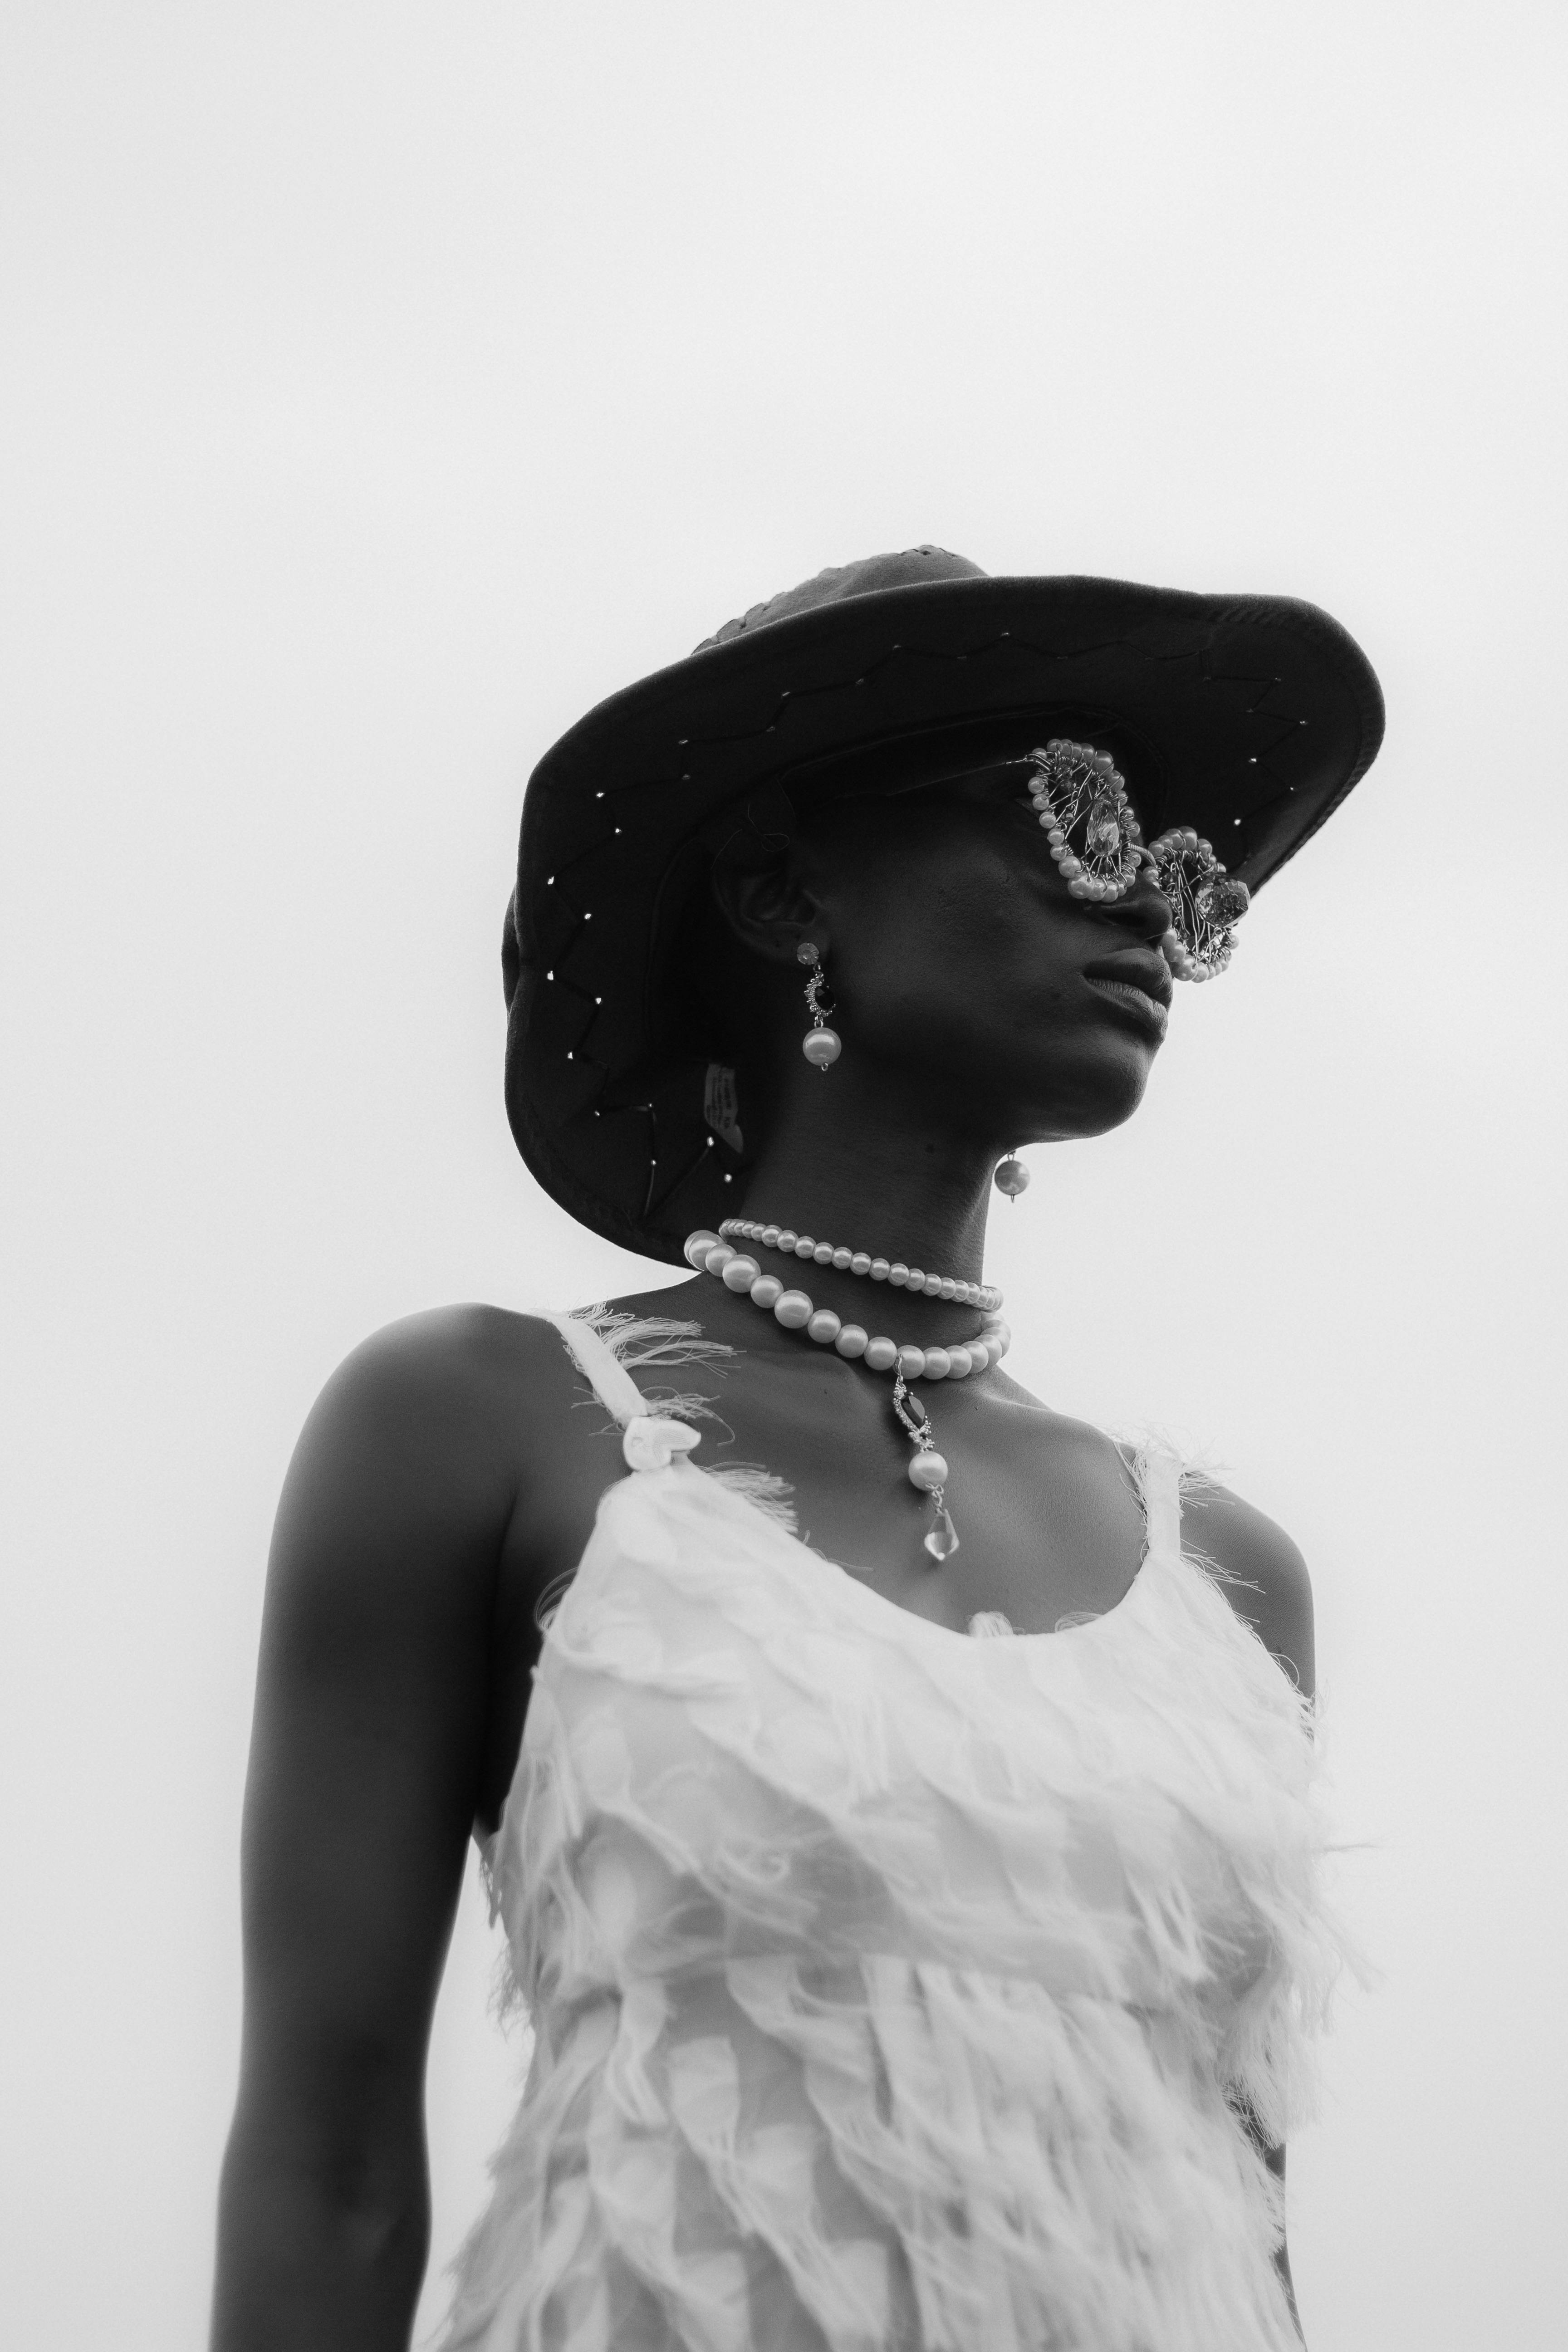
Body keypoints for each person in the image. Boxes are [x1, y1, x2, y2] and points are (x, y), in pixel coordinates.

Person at [211, 547, 1383, 2352]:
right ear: (779, 887)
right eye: (1077, 813)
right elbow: (330, 2164)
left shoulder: (1230, 1573)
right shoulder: (478, 1427)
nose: (1154, 903)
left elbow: (1246, 2232)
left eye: (1182, 863)